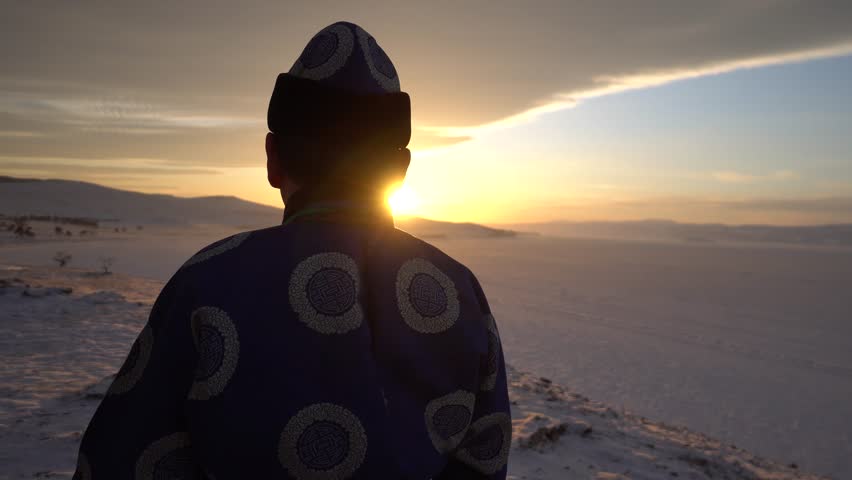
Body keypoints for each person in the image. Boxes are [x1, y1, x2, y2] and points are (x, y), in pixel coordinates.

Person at [73, 21, 510, 480]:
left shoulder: (209, 281)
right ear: (399, 170)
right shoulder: (459, 293)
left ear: (273, 158)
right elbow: (483, 460)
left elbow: (124, 455)